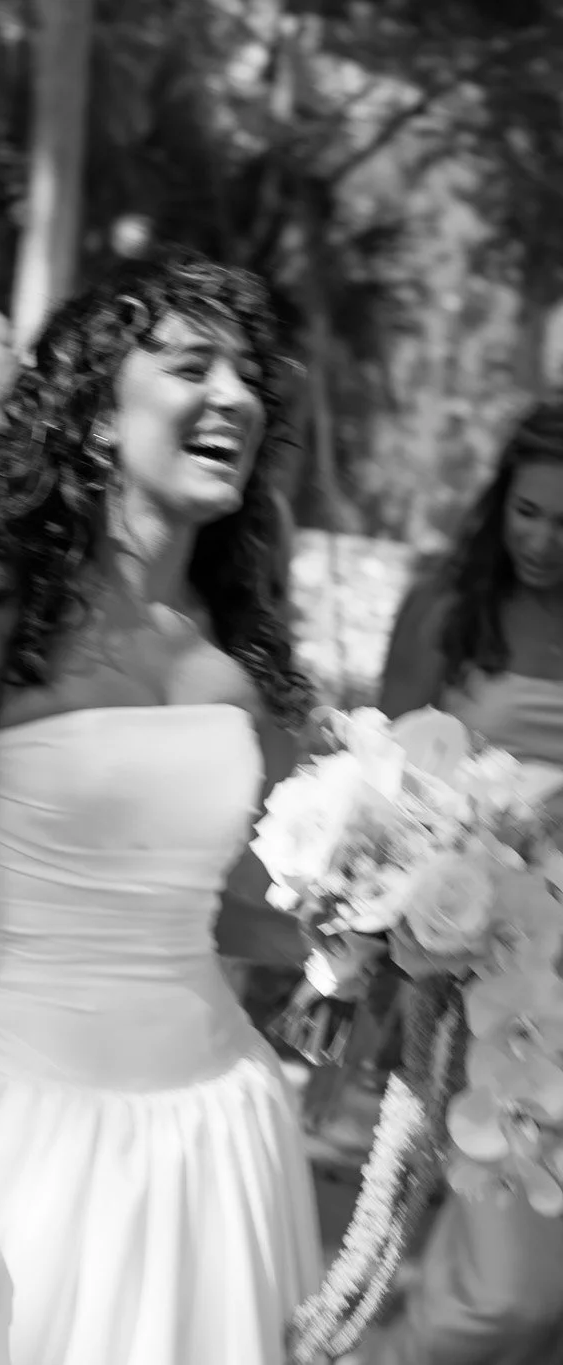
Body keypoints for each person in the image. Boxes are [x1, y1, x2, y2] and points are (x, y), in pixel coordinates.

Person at [0, 250, 326, 1363]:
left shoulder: (247, 662)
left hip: (207, 1135)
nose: (232, 397)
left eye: (247, 380)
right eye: (191, 367)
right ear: (93, 418)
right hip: (17, 1125)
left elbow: (237, 914)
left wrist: (387, 946)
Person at [344, 399, 563, 1365]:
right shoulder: (447, 607)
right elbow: (383, 792)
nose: (544, 542)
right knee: (506, 1295)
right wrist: (375, 973)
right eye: (527, 512)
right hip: (494, 974)